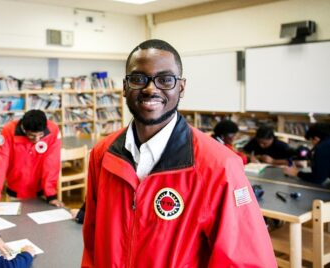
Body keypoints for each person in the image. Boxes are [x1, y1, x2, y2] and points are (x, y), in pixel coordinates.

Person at [82, 39, 276, 267]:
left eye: (165, 80)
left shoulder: (220, 165)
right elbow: (93, 238)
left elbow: (246, 260)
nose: (150, 89)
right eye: (138, 79)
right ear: (125, 87)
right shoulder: (102, 154)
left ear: (181, 87)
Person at [0, 109, 63, 207]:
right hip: (16, 189)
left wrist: (51, 195)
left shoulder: (53, 130)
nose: (37, 140)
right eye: (32, 136)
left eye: (40, 135)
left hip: (41, 192)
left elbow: (52, 163)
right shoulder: (9, 130)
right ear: (24, 129)